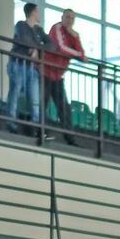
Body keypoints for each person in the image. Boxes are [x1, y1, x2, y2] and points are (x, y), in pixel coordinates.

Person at [5, 3, 54, 137]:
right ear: (33, 12)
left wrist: (37, 49)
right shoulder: (21, 25)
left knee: (34, 99)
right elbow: (24, 40)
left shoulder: (38, 30)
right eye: (38, 12)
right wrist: (35, 47)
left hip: (32, 68)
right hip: (18, 63)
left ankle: (36, 127)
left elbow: (52, 45)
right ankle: (11, 122)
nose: (39, 15)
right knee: (15, 92)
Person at [43, 9, 85, 145]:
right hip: (45, 72)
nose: (69, 20)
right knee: (42, 103)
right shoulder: (57, 28)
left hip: (58, 76)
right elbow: (60, 47)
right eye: (67, 17)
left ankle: (70, 138)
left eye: (72, 18)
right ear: (62, 17)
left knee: (64, 108)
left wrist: (76, 38)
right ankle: (41, 132)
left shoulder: (73, 35)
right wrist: (77, 54)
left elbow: (82, 55)